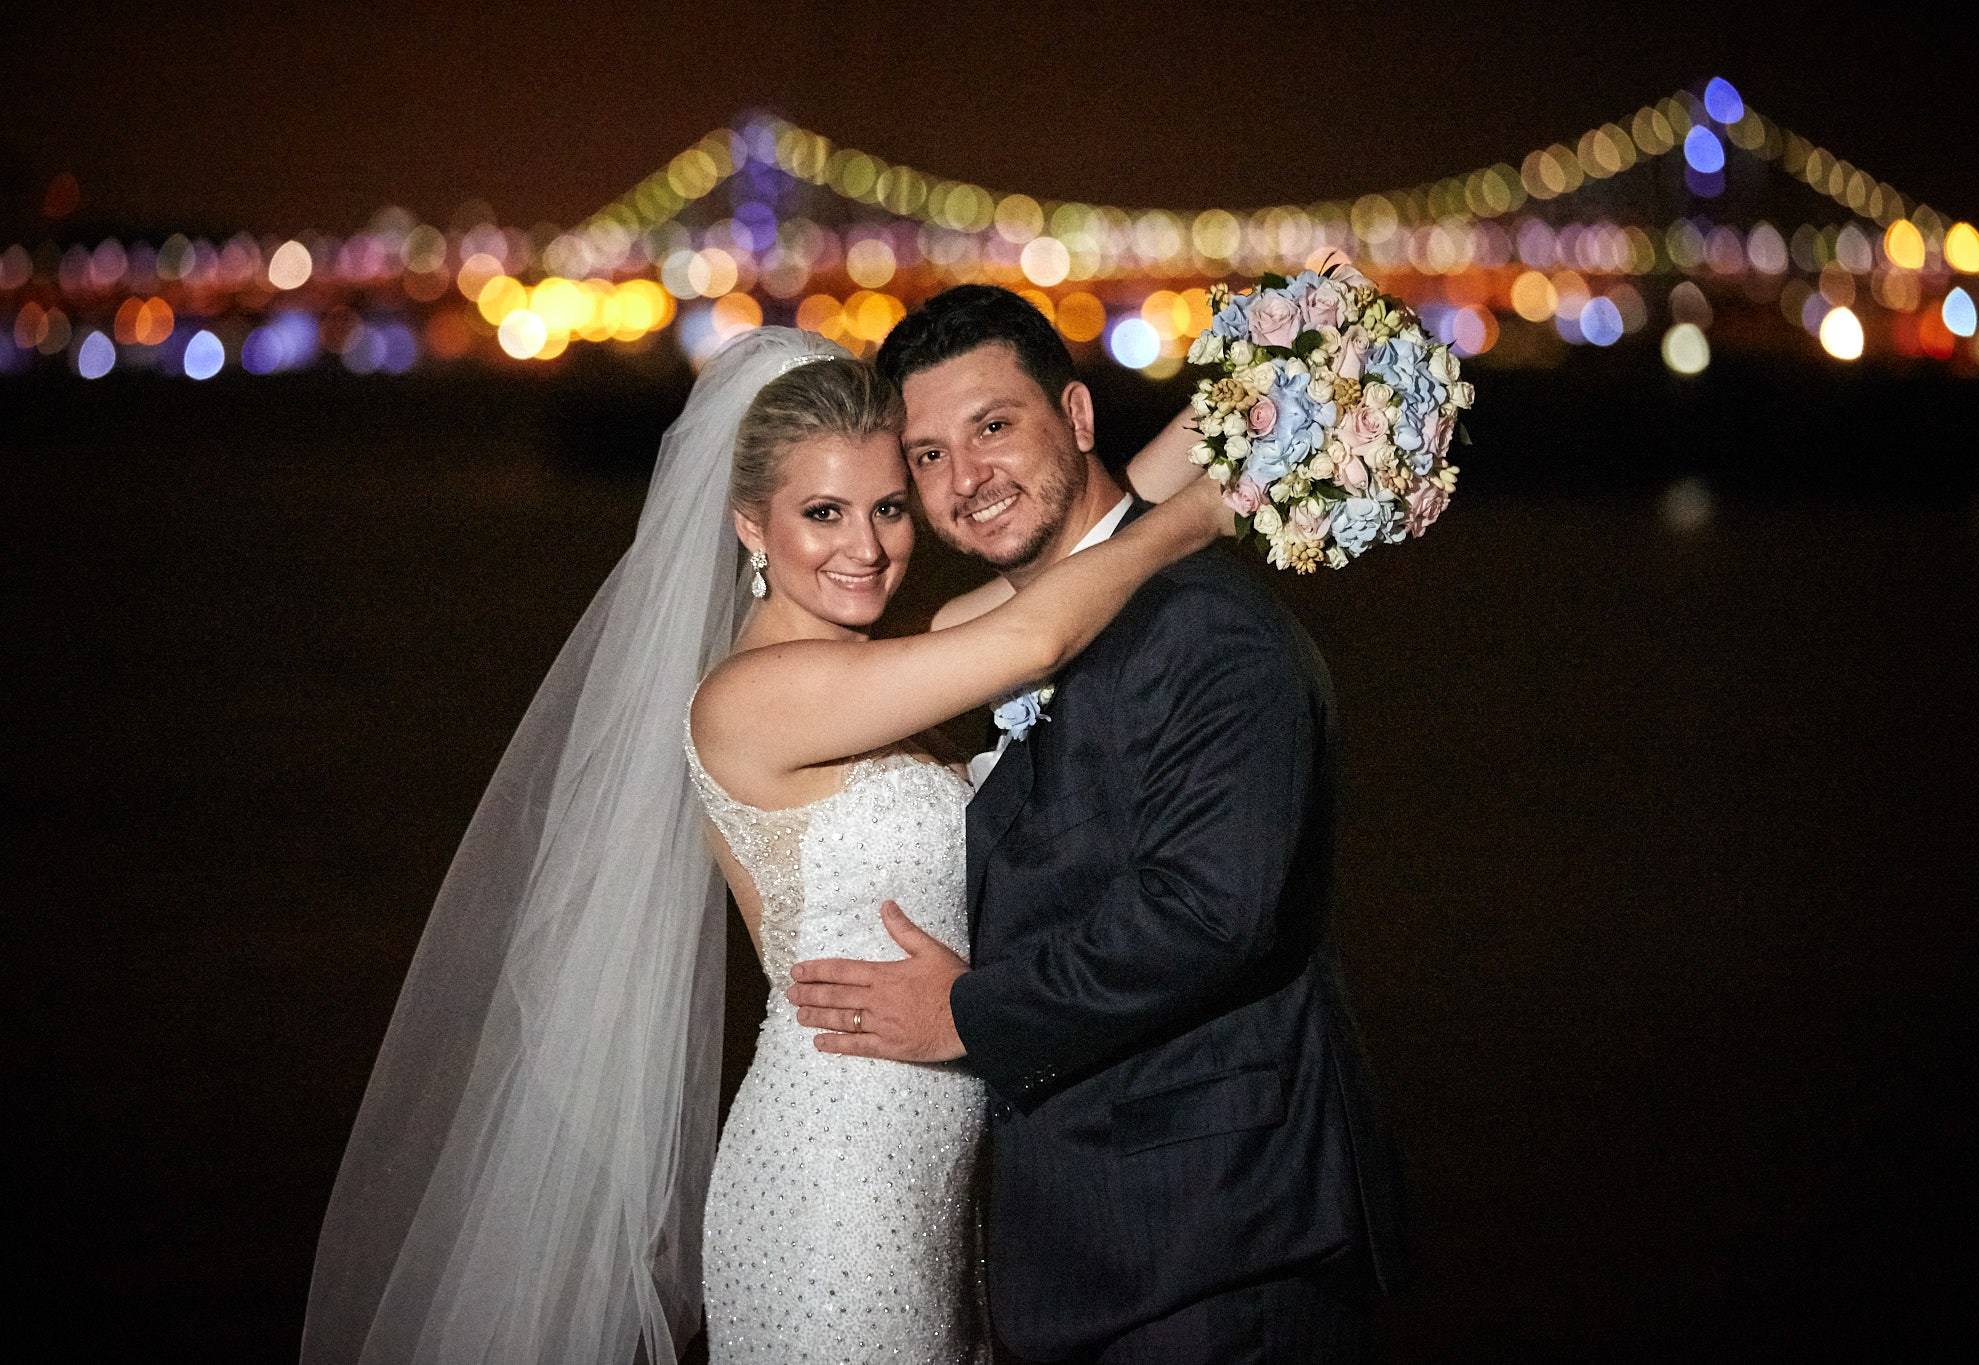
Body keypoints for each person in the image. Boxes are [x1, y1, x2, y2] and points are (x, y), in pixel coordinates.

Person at [300, 324, 1229, 1365]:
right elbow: (1035, 635)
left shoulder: (874, 678)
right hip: (827, 1197)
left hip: (921, 1192)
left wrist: (1265, 387)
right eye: (821, 514)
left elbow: (1091, 540)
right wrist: (1206, 516)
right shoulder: (750, 702)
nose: (866, 548)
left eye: (887, 507)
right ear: (750, 525)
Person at [787, 285, 1411, 1364]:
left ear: (1076, 419)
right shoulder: (1028, 632)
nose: (966, 478)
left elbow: (1211, 913)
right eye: (926, 456)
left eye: (993, 427)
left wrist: (966, 1013)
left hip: (1219, 1241)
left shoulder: (1208, 630)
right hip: (1098, 1253)